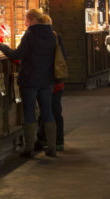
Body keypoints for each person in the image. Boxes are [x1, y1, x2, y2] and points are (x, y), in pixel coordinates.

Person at [0, 9, 57, 158]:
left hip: (29, 80)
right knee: (47, 112)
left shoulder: (30, 35)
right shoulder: (51, 35)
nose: (25, 23)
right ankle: (52, 147)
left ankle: (29, 148)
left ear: (31, 20)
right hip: (47, 80)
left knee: (29, 113)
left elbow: (16, 55)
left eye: (26, 20)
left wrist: (2, 47)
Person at [35, 15, 66, 152]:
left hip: (48, 81)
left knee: (49, 111)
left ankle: (53, 140)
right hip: (55, 80)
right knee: (50, 111)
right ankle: (51, 140)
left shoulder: (40, 38)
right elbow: (64, 56)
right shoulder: (55, 37)